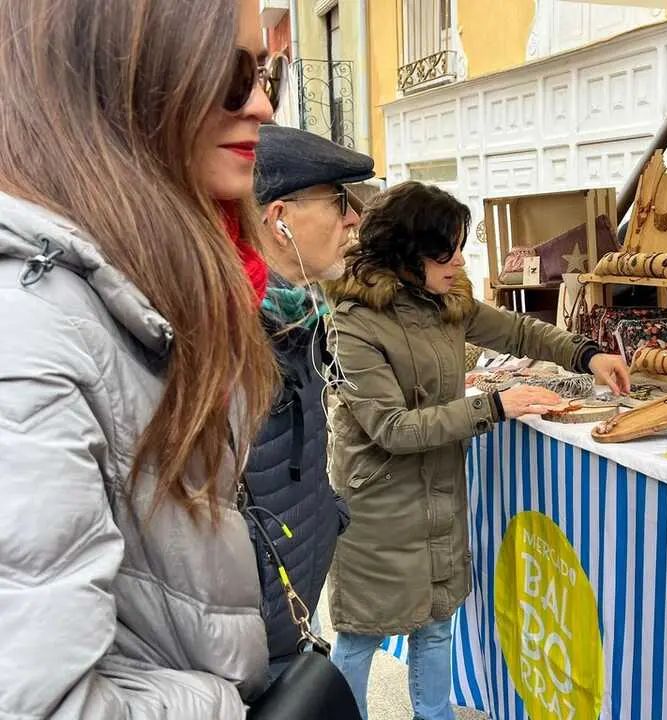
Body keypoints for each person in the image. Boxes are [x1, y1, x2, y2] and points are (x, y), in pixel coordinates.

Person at [0, 0, 281, 716]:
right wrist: (225, 702)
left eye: (266, 70)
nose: (265, 104)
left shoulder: (159, 287)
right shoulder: (31, 330)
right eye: (231, 73)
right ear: (120, 79)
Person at [324, 181, 631, 720]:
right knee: (360, 637)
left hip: (439, 491)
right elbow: (391, 428)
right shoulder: (355, 322)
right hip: (377, 506)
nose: (461, 260)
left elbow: (518, 332)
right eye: (447, 250)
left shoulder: (448, 300)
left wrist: (586, 354)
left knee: (437, 624)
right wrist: (493, 406)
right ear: (405, 252)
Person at [247, 125, 374, 681]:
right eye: (339, 201)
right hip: (249, 646)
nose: (353, 219)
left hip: (289, 615)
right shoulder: (234, 331)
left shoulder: (296, 318)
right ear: (281, 219)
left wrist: (327, 515)